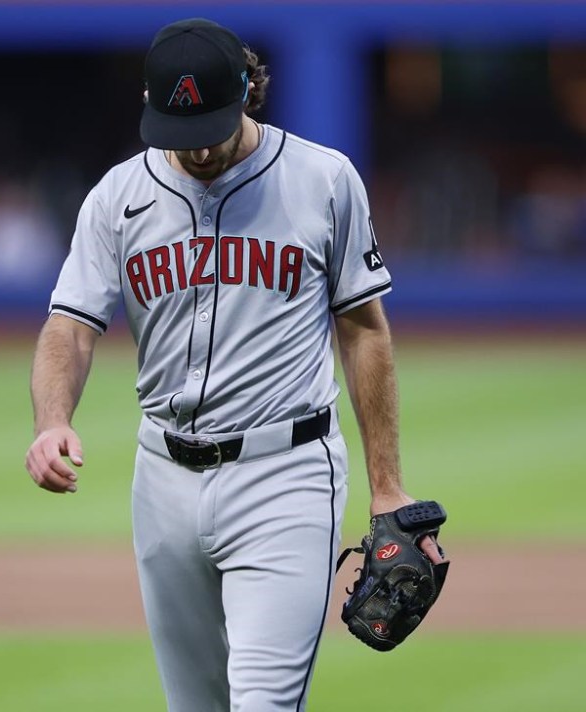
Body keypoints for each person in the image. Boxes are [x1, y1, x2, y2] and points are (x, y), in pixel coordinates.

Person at [24, 18, 446, 711]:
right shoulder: (116, 198)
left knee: (262, 703)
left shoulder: (322, 180)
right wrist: (52, 420)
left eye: (210, 129)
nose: (196, 150)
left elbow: (364, 332)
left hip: (287, 473)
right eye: (179, 132)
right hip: (161, 478)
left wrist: (388, 486)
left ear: (248, 91)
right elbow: (69, 327)